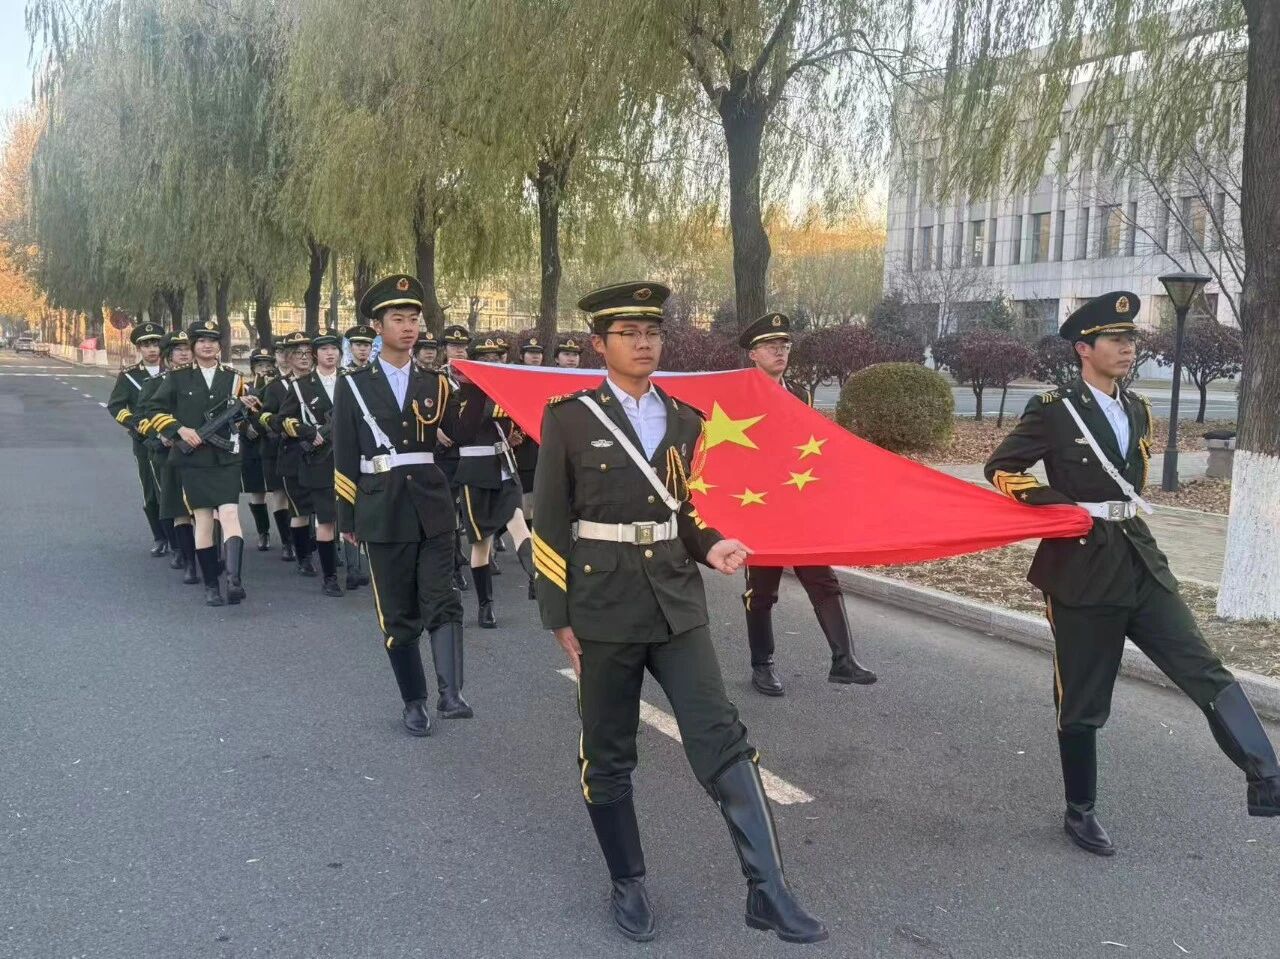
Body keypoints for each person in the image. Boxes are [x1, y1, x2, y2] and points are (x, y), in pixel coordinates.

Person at [533, 281, 826, 945]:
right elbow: (549, 521)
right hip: (602, 603)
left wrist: (710, 542)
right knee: (608, 749)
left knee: (721, 733)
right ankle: (627, 880)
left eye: (653, 332)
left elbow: (682, 507)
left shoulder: (686, 418)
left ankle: (768, 888)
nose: (644, 343)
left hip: (674, 597)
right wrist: (558, 614)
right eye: (629, 333)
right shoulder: (570, 418)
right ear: (600, 344)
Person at [985, 291, 1280, 857]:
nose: (1127, 348)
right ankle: (1080, 810)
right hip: (1080, 566)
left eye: (1131, 340)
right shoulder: (1053, 407)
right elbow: (1001, 468)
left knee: (1202, 666)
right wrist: (1060, 507)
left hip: (1139, 558)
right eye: (1115, 340)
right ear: (1084, 348)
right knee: (1082, 700)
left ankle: (1266, 775)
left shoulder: (1139, 407)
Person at [333, 274, 470, 735]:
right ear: (377, 326)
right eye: (398, 319)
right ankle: (414, 700)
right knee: (398, 612)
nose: (409, 327)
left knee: (442, 597)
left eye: (414, 319)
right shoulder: (353, 385)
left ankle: (451, 692)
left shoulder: (437, 383)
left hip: (432, 507)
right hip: (382, 508)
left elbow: (457, 438)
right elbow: (344, 454)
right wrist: (348, 516)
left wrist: (478, 391)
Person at [734, 312, 877, 696]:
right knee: (761, 592)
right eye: (770, 346)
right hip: (757, 508)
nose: (780, 351)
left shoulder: (800, 395)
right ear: (752, 354)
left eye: (784, 345)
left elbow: (808, 448)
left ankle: (844, 660)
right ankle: (762, 665)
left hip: (797, 507)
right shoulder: (737, 394)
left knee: (823, 581)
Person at [143, 319, 259, 607]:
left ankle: (233, 580)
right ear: (193, 346)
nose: (208, 345)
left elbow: (243, 416)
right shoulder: (178, 377)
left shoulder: (233, 378)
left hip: (226, 458)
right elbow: (154, 410)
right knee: (204, 519)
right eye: (202, 341)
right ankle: (211, 585)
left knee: (230, 514)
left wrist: (248, 408)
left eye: (213, 340)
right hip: (193, 459)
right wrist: (180, 430)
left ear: (220, 345)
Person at [454, 333, 535, 627]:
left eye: (496, 358)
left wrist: (514, 437)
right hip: (476, 473)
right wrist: (479, 389)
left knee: (519, 525)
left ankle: (536, 578)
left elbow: (519, 421)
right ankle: (485, 605)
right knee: (481, 542)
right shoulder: (460, 392)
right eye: (485, 360)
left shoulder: (504, 390)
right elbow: (462, 432)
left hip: (504, 468)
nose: (492, 363)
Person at [279, 329, 345, 597]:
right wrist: (307, 432)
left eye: (334, 349)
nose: (330, 353)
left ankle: (354, 568)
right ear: (316, 354)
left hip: (348, 459)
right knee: (326, 519)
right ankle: (330, 577)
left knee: (351, 517)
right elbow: (283, 420)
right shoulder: (301, 386)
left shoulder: (350, 380)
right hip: (319, 460)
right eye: (324, 349)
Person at [136, 331, 199, 585]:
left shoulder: (203, 381)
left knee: (205, 508)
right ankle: (184, 554)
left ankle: (210, 554)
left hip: (200, 453)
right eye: (178, 350)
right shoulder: (154, 384)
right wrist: (161, 434)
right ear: (168, 356)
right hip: (168, 453)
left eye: (187, 348)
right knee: (178, 507)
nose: (184, 353)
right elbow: (141, 418)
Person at [107, 321, 168, 556]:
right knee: (151, 492)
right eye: (147, 345)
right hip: (144, 443)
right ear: (139, 348)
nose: (152, 349)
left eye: (156, 344)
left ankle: (180, 537)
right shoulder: (129, 376)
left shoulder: (174, 373)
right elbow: (116, 406)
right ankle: (160, 537)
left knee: (172, 491)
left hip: (171, 440)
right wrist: (134, 423)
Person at [263, 331, 317, 575]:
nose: (304, 357)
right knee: (299, 507)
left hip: (323, 453)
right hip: (292, 451)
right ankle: (297, 550)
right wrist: (285, 427)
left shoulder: (322, 382)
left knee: (325, 506)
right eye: (297, 353)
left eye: (307, 353)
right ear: (287, 357)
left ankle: (326, 547)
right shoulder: (276, 386)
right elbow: (266, 416)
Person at [255, 335, 299, 563]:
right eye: (281, 352)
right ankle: (287, 542)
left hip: (302, 448)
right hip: (275, 447)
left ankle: (307, 540)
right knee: (280, 494)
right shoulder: (271, 385)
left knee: (303, 496)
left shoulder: (310, 380)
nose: (285, 357)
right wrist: (273, 428)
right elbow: (261, 416)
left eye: (290, 352)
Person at [341, 324, 377, 587]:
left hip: (372, 446)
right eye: (358, 345)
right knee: (347, 500)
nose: (363, 350)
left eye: (366, 345)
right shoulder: (344, 377)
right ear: (350, 348)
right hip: (348, 444)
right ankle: (353, 567)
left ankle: (370, 563)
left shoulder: (376, 376)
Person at [438, 324, 473, 592]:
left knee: (469, 513)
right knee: (449, 514)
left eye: (462, 346)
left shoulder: (475, 377)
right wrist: (435, 431)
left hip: (471, 454)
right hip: (446, 455)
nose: (458, 350)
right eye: (453, 346)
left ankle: (474, 557)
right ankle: (452, 567)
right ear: (445, 349)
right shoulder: (437, 378)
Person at [242, 347, 278, 551]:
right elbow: (236, 415)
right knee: (257, 492)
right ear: (252, 367)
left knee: (280, 492)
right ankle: (263, 533)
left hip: (272, 443)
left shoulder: (277, 386)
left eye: (268, 365)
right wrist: (246, 428)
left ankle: (288, 538)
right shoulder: (245, 388)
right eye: (260, 365)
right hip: (252, 446)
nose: (264, 369)